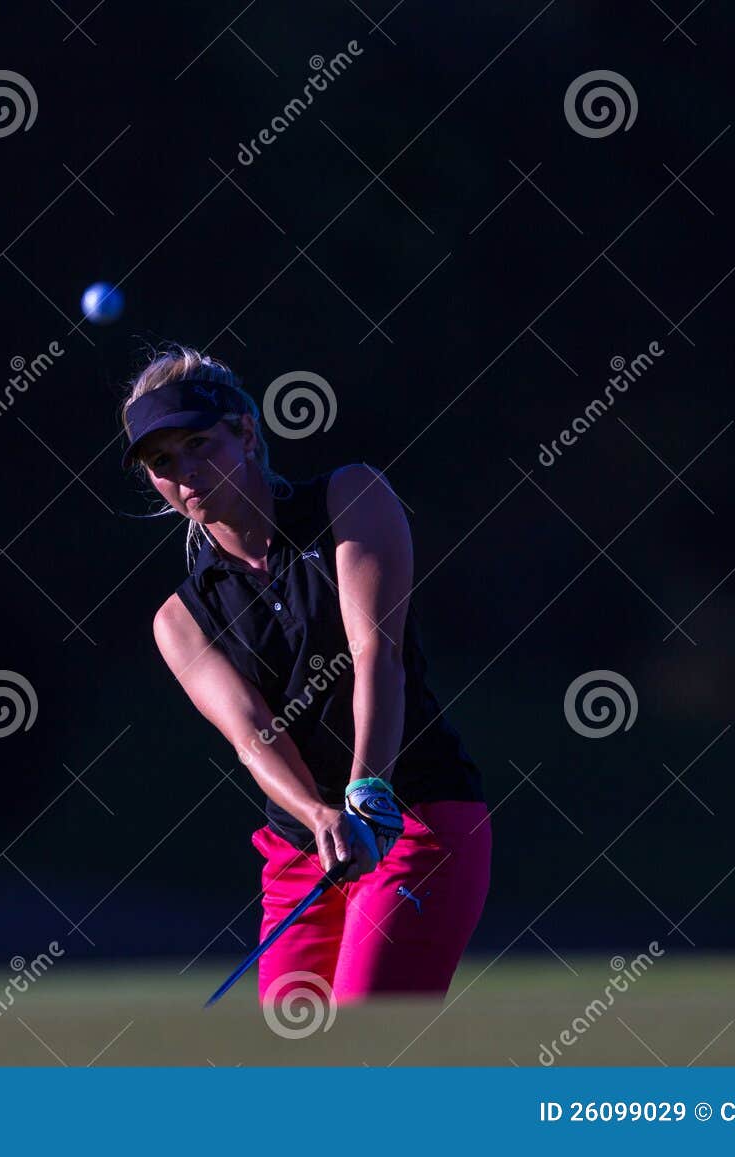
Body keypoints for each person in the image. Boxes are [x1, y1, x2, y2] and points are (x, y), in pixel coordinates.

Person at [120, 344, 491, 1006]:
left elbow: (374, 650)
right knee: (291, 1074)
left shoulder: (350, 498)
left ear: (246, 433)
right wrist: (319, 815)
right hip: (304, 852)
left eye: (200, 444)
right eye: (161, 463)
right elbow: (254, 734)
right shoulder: (180, 619)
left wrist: (365, 793)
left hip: (416, 816)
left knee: (361, 1048)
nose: (185, 473)